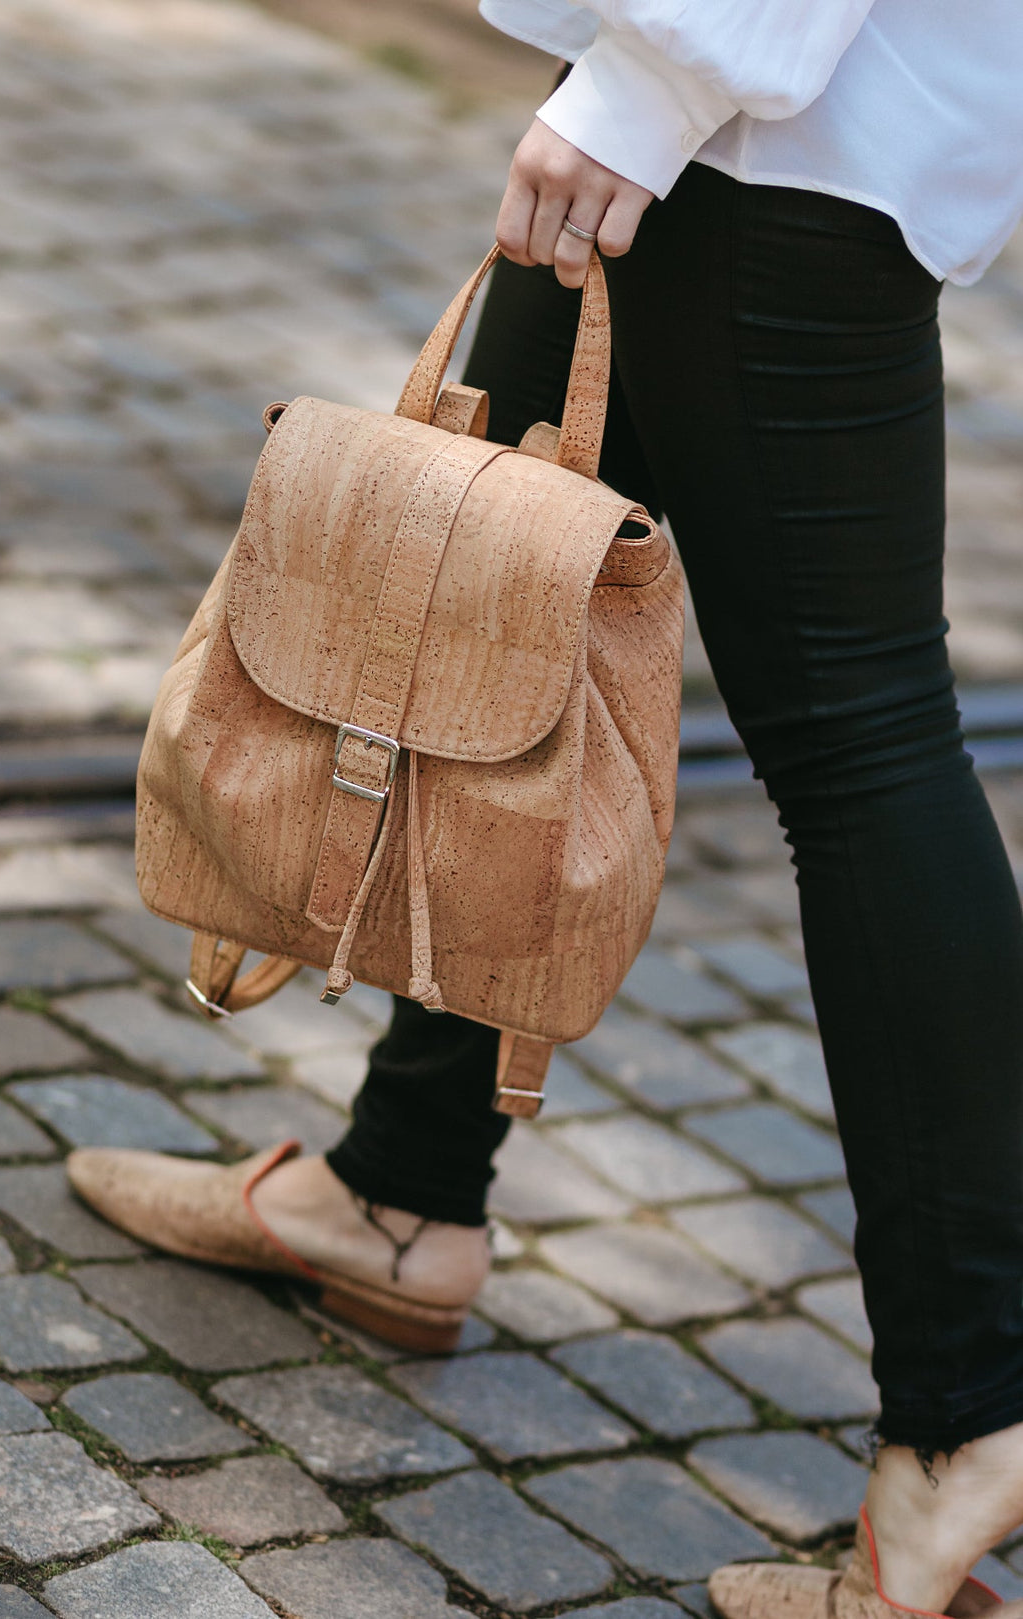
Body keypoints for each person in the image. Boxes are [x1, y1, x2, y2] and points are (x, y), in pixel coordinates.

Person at [69, 0, 1023, 1612]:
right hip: (720, 120)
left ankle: (974, 1409)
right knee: (493, 593)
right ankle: (400, 1185)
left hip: (757, 139)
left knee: (859, 746)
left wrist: (650, 89)